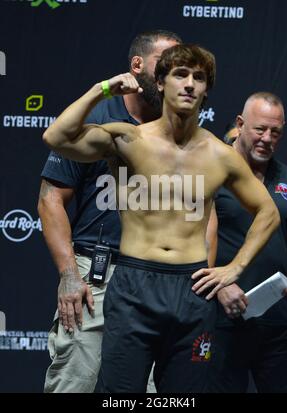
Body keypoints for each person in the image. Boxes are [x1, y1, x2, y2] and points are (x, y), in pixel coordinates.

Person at [42, 44, 280, 393]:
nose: (189, 84)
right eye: (180, 74)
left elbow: (268, 212)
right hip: (134, 283)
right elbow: (56, 137)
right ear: (161, 82)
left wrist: (235, 268)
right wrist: (103, 89)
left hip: (191, 288)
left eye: (198, 78)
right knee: (118, 396)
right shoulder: (128, 139)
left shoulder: (221, 154)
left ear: (206, 90)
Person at [38, 29, 182, 393]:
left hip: (154, 279)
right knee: (77, 382)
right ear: (137, 66)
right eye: (163, 66)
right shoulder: (97, 119)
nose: (171, 76)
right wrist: (69, 274)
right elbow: (50, 199)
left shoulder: (179, 129)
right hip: (96, 279)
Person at [206, 92, 287, 393]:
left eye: (276, 132)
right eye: (260, 129)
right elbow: (189, 241)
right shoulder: (211, 172)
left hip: (278, 320)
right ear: (240, 123)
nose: (267, 138)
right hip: (222, 318)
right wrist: (219, 285)